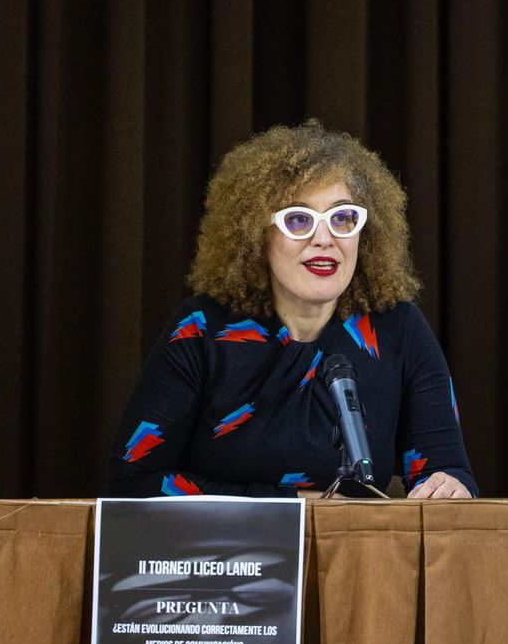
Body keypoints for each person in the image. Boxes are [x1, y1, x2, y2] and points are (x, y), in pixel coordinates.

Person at [107, 121, 476, 499]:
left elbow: (447, 471)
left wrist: (448, 489)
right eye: (298, 219)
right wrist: (295, 506)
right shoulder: (202, 329)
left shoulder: (398, 328)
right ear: (256, 236)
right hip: (229, 556)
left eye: (342, 217)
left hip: (357, 555)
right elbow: (132, 484)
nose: (324, 238)